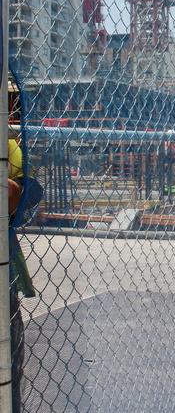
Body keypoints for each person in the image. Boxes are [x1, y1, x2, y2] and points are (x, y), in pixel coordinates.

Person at [8, 138, 43, 413]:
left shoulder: (6, 144)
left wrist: (16, 190)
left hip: (3, 266)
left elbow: (28, 191)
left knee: (9, 359)